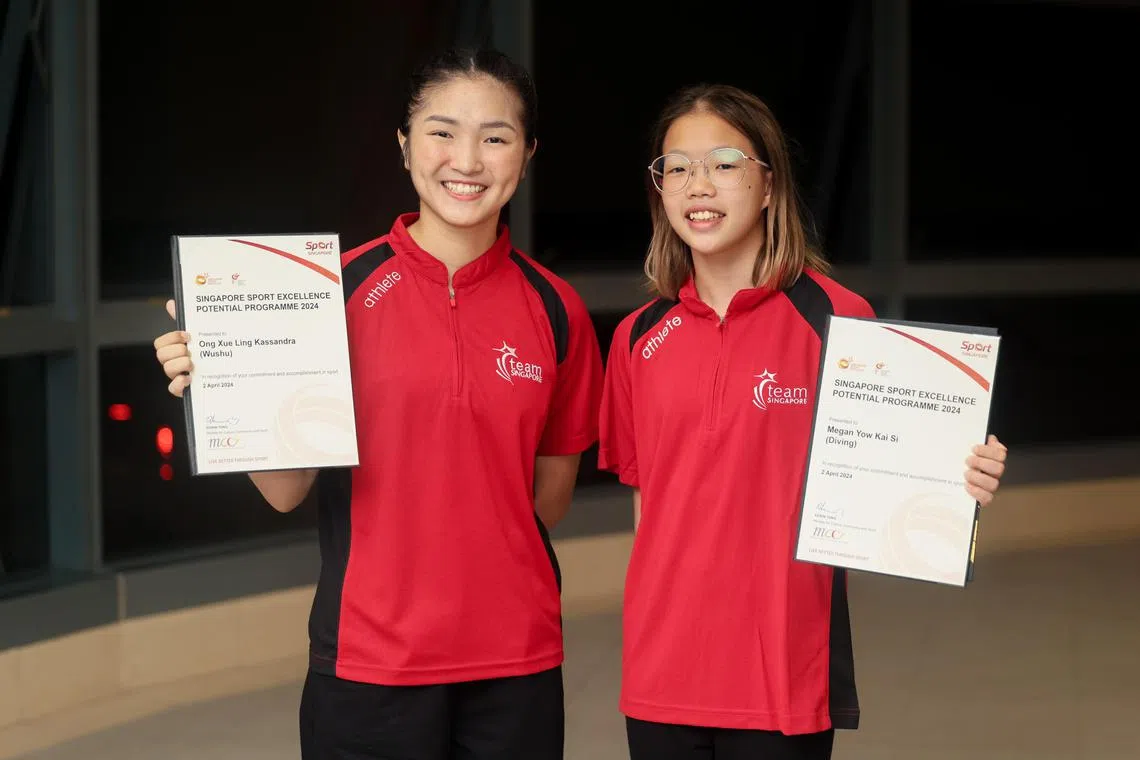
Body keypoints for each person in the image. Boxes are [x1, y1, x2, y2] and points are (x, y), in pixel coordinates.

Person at [153, 48, 604, 760]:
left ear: (527, 153)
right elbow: (285, 493)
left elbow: (547, 504)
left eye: (496, 136)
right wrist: (222, 383)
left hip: (517, 664)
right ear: (403, 145)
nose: (468, 160)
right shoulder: (330, 293)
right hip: (369, 664)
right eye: (441, 131)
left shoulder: (558, 310)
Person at [597, 83, 1009, 760]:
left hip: (782, 678)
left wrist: (957, 479)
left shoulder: (839, 320)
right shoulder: (640, 337)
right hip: (661, 675)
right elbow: (652, 510)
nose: (699, 184)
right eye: (677, 167)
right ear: (660, 190)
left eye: (725, 162)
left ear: (767, 185)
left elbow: (900, 482)